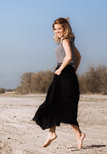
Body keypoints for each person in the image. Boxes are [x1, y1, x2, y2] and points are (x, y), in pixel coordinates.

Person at [33, 17, 85, 149]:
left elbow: (69, 57)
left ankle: (61, 133)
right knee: (60, 104)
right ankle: (72, 134)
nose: (58, 31)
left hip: (63, 73)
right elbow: (78, 57)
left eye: (60, 28)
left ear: (65, 28)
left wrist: (61, 69)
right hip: (68, 74)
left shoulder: (66, 41)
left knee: (54, 103)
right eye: (55, 29)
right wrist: (73, 70)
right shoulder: (70, 40)